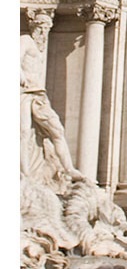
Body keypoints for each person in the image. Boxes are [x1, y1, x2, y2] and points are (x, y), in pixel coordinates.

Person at [20, 27, 82, 182]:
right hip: (24, 92)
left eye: (44, 28)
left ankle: (69, 169)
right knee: (23, 132)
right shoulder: (25, 40)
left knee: (57, 130)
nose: (42, 32)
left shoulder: (39, 49)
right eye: (39, 28)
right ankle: (24, 173)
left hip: (39, 94)